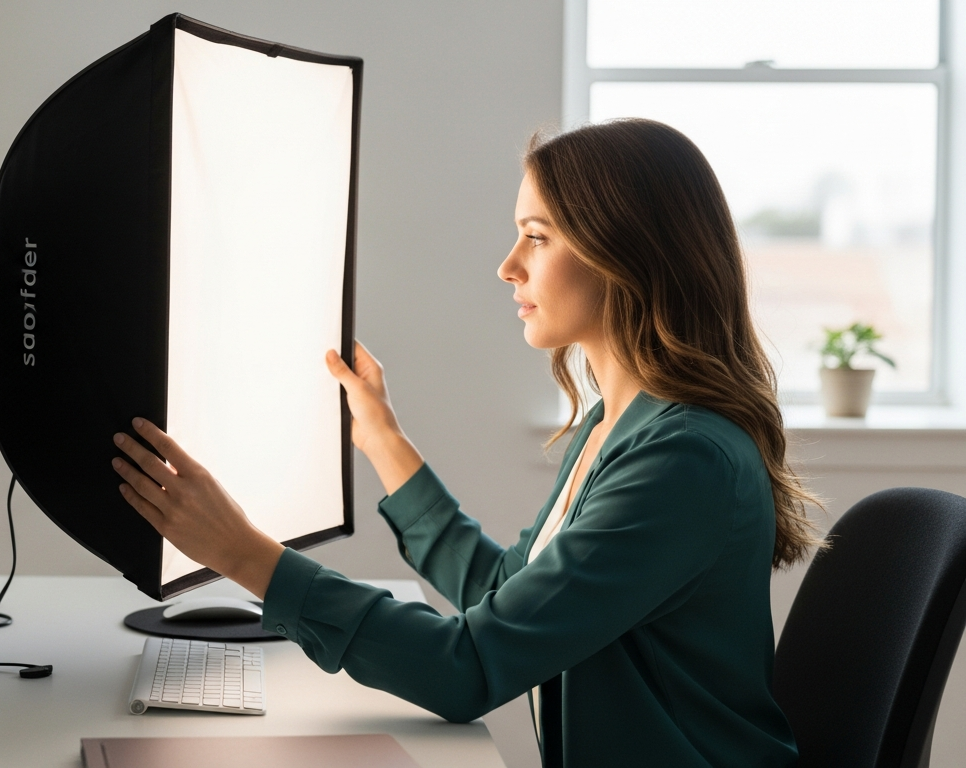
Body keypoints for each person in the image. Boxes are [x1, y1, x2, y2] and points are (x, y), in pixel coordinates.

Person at [109, 118, 821, 767]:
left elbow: (469, 668)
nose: (509, 265)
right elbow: (506, 595)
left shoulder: (682, 461)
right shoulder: (619, 427)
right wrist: (384, 439)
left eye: (537, 237)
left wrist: (243, 553)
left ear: (624, 253)